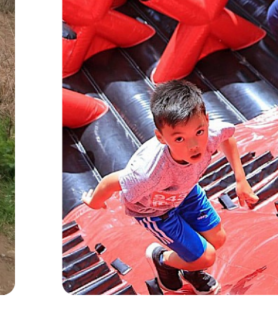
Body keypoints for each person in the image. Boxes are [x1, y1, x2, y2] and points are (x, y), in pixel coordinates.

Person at [82, 80, 251, 294]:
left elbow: (228, 138)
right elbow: (112, 182)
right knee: (207, 257)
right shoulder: (149, 173)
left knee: (217, 239)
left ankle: (190, 268)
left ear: (206, 121)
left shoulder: (209, 133)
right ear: (161, 138)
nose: (193, 146)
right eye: (179, 138)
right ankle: (161, 259)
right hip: (155, 210)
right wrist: (94, 202)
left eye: (199, 132)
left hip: (186, 192)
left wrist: (241, 179)